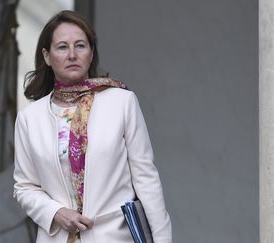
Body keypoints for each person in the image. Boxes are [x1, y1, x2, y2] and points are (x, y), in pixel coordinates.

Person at [13, 10, 172, 243]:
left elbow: (146, 178)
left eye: (80, 45)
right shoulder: (29, 118)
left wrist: (162, 239)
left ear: (91, 53)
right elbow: (25, 187)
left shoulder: (121, 102)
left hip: (116, 236)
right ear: (47, 56)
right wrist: (55, 213)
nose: (72, 55)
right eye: (62, 47)